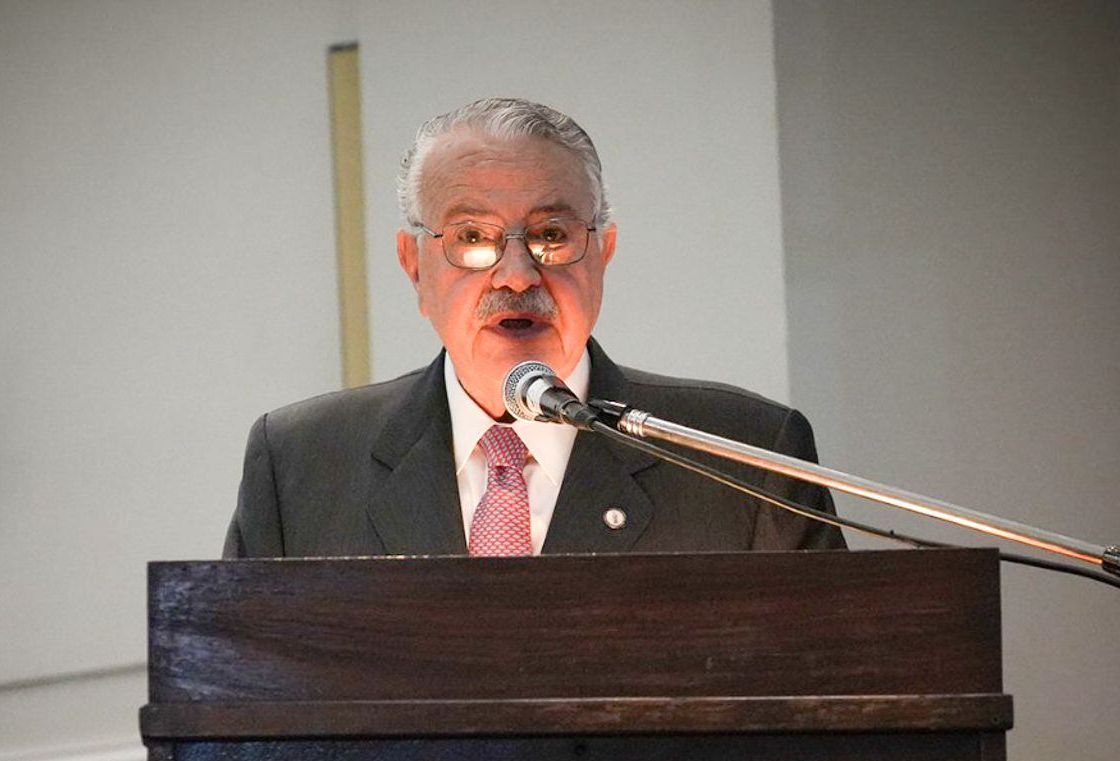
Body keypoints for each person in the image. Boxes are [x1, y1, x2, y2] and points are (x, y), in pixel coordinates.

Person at [223, 97, 846, 557]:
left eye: (551, 235)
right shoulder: (301, 465)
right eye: (472, 239)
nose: (516, 275)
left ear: (602, 253)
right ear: (414, 265)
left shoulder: (743, 458)